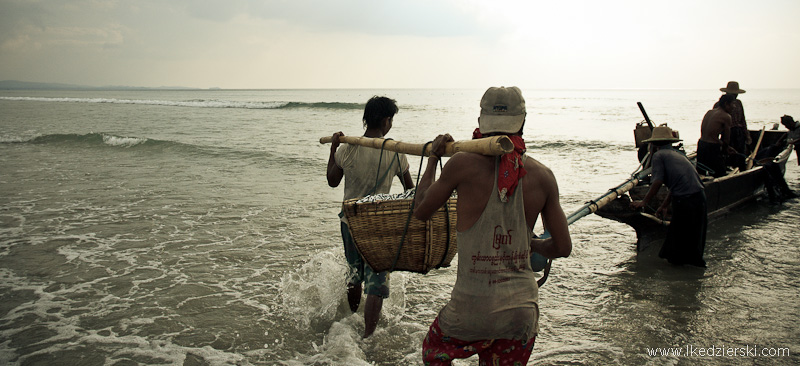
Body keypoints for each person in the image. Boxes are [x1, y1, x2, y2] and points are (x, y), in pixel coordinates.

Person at [412, 86, 572, 365]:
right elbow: (562, 247)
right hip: (520, 314)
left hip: (470, 309)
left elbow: (421, 210)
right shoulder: (543, 176)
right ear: (522, 121)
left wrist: (434, 158)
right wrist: (531, 244)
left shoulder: (461, 164)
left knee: (433, 352)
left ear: (481, 122)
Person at [326, 96, 414, 338]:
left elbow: (332, 181)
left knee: (354, 275)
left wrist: (333, 148)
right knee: (377, 279)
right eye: (391, 120)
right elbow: (410, 190)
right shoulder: (395, 152)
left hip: (350, 221)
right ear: (386, 120)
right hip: (379, 223)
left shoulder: (348, 147)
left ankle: (351, 322)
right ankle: (368, 336)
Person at [631, 126, 708, 268]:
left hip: (686, 200)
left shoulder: (659, 156)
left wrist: (644, 202)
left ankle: (681, 275)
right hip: (699, 198)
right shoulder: (678, 155)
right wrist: (664, 205)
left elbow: (657, 182)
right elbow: (676, 185)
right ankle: (691, 277)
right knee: (692, 240)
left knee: (678, 242)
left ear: (653, 144)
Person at [697, 94, 737, 177]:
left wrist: (724, 145)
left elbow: (709, 134)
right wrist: (726, 151)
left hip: (701, 144)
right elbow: (726, 139)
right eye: (733, 104)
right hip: (712, 148)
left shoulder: (710, 112)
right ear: (726, 104)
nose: (734, 107)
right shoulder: (726, 116)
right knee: (720, 174)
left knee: (701, 173)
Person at [718, 81, 751, 157]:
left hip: (738, 133)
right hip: (726, 133)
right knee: (727, 154)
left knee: (740, 154)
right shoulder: (720, 105)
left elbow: (742, 120)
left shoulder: (739, 103)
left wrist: (747, 135)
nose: (735, 96)